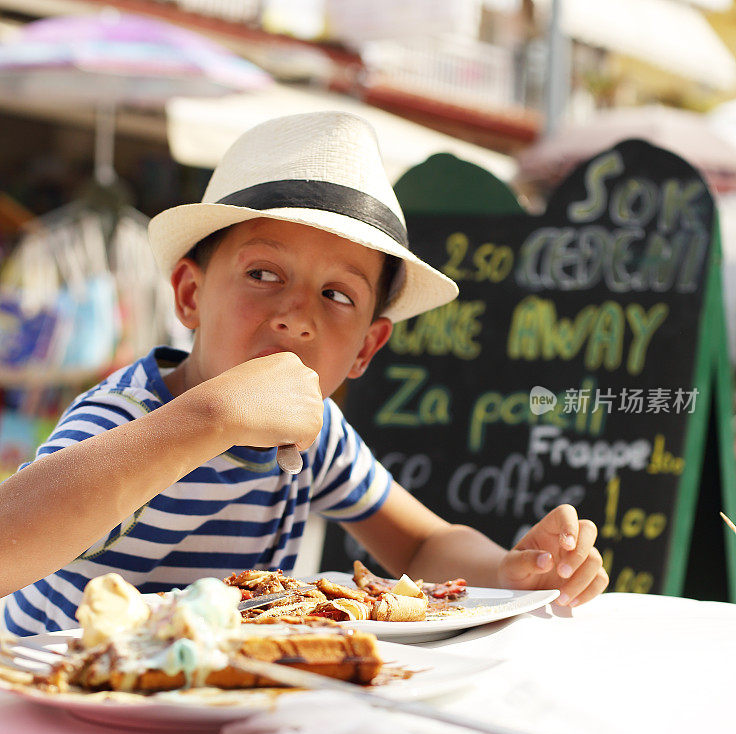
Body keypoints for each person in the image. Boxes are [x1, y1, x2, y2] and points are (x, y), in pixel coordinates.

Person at [1, 112, 607, 636]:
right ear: (189, 294)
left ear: (367, 348)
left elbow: (421, 545)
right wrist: (212, 417)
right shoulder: (129, 414)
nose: (296, 316)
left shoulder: (321, 435)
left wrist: (506, 570)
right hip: (47, 711)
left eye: (337, 295)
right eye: (264, 274)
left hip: (201, 706)